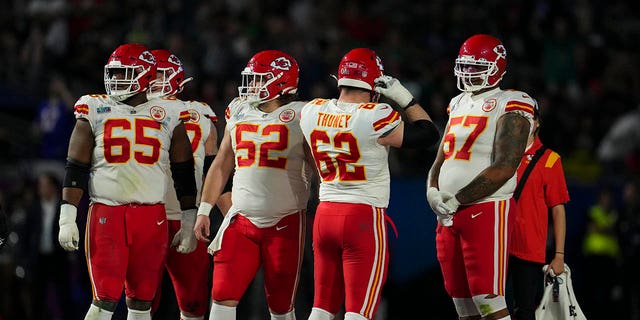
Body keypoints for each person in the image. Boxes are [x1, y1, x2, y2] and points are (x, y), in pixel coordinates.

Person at [57, 43, 198, 320]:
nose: (116, 80)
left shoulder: (169, 112)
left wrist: (189, 221)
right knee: (104, 301)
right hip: (107, 212)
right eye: (114, 73)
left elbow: (183, 170)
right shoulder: (95, 107)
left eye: (124, 73)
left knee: (142, 303)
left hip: (151, 217)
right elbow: (76, 165)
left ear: (145, 75)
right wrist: (67, 215)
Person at [299, 47, 440, 320]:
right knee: (359, 311)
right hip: (362, 217)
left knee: (321, 308)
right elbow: (428, 134)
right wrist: (406, 99)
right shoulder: (376, 115)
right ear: (374, 83)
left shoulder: (312, 110)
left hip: (325, 214)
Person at [193, 50, 312, 320]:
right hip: (241, 220)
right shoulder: (238, 109)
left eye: (259, 79)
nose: (252, 86)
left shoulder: (303, 115)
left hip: (286, 222)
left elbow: (319, 166)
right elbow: (222, 162)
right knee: (221, 296)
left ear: (282, 83)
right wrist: (204, 210)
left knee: (281, 308)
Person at [426, 34, 534, 320]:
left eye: (476, 67)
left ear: (496, 66)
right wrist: (432, 190)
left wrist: (457, 198)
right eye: (465, 66)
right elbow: (441, 157)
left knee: (487, 300)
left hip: (486, 208)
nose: (468, 73)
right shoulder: (457, 102)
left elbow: (506, 165)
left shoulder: (512, 102)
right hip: (448, 214)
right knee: (461, 301)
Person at [147, 49, 223, 320]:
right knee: (141, 300)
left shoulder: (201, 115)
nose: (152, 80)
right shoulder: (127, 112)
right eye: (150, 74)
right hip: (146, 214)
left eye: (159, 75)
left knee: (192, 302)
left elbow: (216, 172)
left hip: (185, 218)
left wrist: (230, 218)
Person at [508, 102, 570, 320]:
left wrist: (559, 255)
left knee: (524, 311)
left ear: (536, 123)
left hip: (528, 248)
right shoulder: (500, 154)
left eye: (527, 117)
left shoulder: (551, 160)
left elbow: (558, 210)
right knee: (490, 307)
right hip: (498, 243)